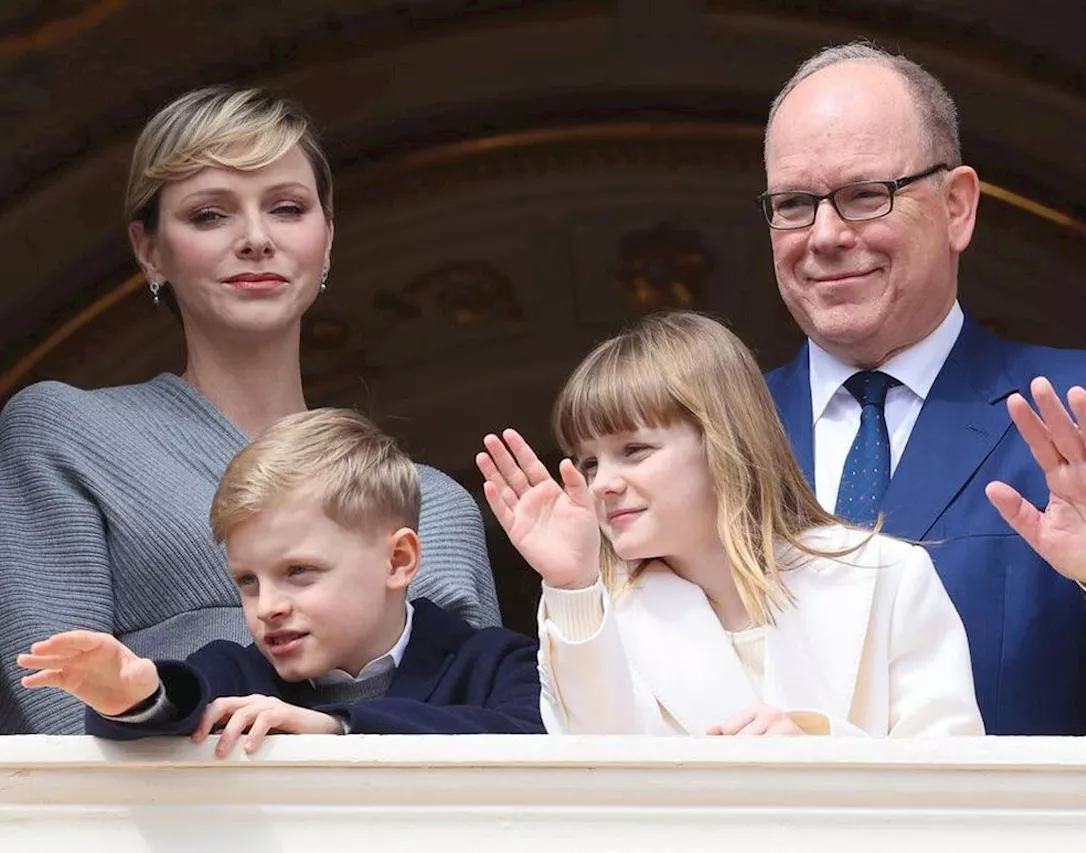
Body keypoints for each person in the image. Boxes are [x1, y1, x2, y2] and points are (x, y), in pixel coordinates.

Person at [759, 42, 1086, 733]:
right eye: (794, 203)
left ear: (958, 207)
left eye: (863, 195)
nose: (823, 235)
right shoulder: (706, 431)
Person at [0, 86, 499, 735]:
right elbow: (61, 714)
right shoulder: (65, 433)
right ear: (149, 248)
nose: (257, 239)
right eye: (211, 215)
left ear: (326, 236)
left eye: (288, 208)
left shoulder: (438, 508)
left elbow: (491, 746)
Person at [477, 311, 983, 737]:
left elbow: (955, 786)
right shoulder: (592, 613)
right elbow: (597, 773)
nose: (603, 483)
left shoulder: (890, 576)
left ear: (725, 441)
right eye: (589, 463)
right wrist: (573, 586)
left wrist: (822, 749)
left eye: (634, 450)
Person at [17, 408, 542, 753]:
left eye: (298, 572)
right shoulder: (235, 669)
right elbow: (172, 712)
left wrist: (340, 727)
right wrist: (136, 695)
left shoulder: (497, 662)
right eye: (247, 581)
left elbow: (533, 740)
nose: (267, 606)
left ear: (398, 561)